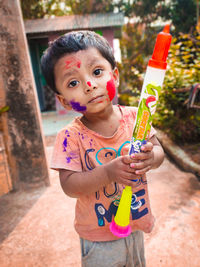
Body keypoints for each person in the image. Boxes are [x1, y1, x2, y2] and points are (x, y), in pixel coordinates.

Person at [41, 31, 165, 267]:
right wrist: (108, 173)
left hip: (134, 222)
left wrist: (152, 157)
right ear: (65, 101)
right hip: (98, 237)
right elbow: (70, 186)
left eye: (97, 72)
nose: (89, 85)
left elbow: (159, 152)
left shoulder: (136, 117)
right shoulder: (69, 137)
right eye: (73, 83)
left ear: (114, 76)